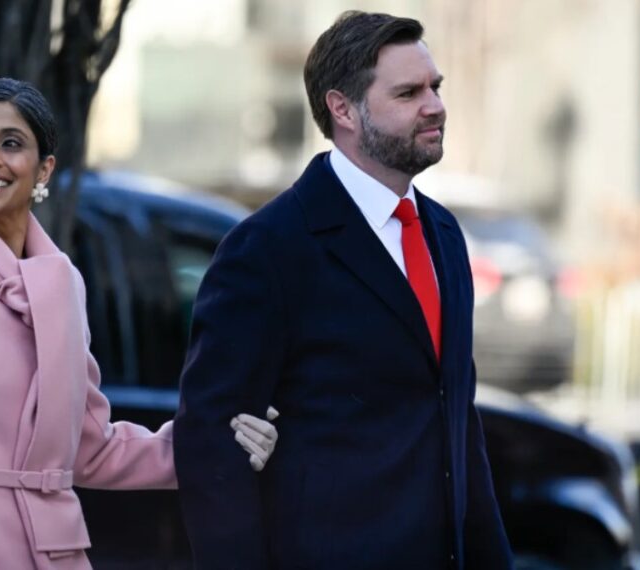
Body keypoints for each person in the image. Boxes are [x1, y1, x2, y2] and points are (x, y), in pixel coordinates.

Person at [0, 78, 279, 570]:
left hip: (57, 553)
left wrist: (212, 443)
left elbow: (90, 450)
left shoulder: (62, 287)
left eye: (11, 143)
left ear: (44, 168)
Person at [174, 11, 514, 569]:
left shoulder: (446, 236)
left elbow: (458, 423)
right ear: (342, 109)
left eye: (435, 86)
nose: (434, 106)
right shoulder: (266, 248)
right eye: (408, 92)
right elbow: (212, 448)